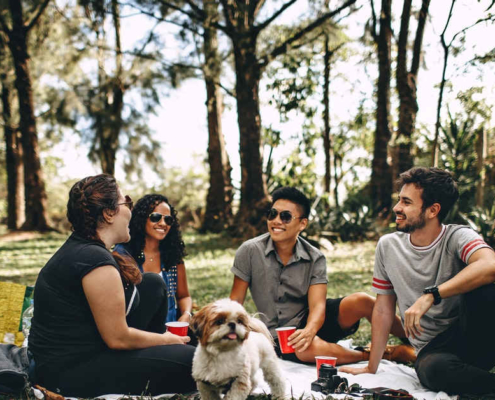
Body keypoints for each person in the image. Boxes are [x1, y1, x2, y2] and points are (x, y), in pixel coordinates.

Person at [28, 175, 196, 398]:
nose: (130, 210)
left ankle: (162, 353)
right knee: (196, 362)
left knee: (153, 284)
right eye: (126, 202)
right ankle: (166, 353)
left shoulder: (87, 249)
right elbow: (118, 338)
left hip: (90, 347)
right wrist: (167, 339)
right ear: (108, 213)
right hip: (70, 372)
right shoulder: (93, 260)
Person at [340, 167, 495, 395]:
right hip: (434, 351)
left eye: (406, 202)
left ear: (433, 210)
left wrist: (431, 295)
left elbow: (490, 265)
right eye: (399, 200)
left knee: (487, 290)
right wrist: (371, 367)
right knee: (432, 371)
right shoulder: (388, 246)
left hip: (473, 333)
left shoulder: (458, 236)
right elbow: (383, 309)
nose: (396, 207)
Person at [229, 186, 415, 365]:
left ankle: (415, 341)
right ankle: (379, 354)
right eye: (272, 214)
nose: (276, 221)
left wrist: (309, 330)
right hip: (277, 336)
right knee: (306, 349)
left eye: (285, 216)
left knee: (362, 301)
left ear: (302, 223)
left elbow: (318, 306)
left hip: (312, 320)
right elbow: (235, 301)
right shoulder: (249, 251)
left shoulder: (315, 257)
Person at [116, 194, 192, 324]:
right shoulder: (123, 254)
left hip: (171, 332)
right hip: (137, 332)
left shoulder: (172, 255)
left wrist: (186, 315)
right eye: (155, 217)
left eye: (168, 220)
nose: (163, 224)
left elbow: (184, 296)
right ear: (141, 219)